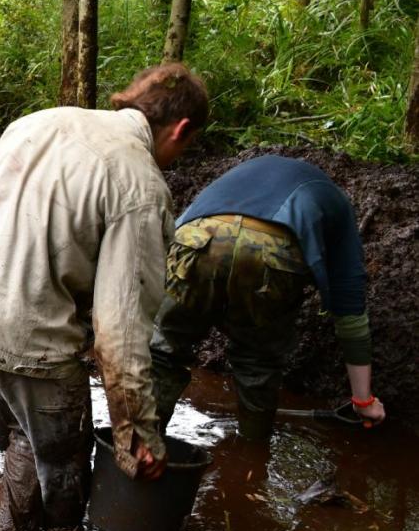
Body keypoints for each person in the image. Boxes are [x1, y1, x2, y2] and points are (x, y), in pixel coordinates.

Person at [0, 64, 210, 531]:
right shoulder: (141, 186)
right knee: (63, 459)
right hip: (22, 339)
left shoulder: (44, 121)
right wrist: (136, 435)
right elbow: (120, 333)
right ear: (180, 129)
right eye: (188, 144)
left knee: (24, 430)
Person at [150, 155, 386, 439]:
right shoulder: (336, 204)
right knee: (257, 363)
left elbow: (168, 249)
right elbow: (350, 311)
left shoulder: (240, 173)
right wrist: (363, 400)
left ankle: (139, 447)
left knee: (163, 350)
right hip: (271, 251)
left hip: (196, 237)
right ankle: (252, 463)